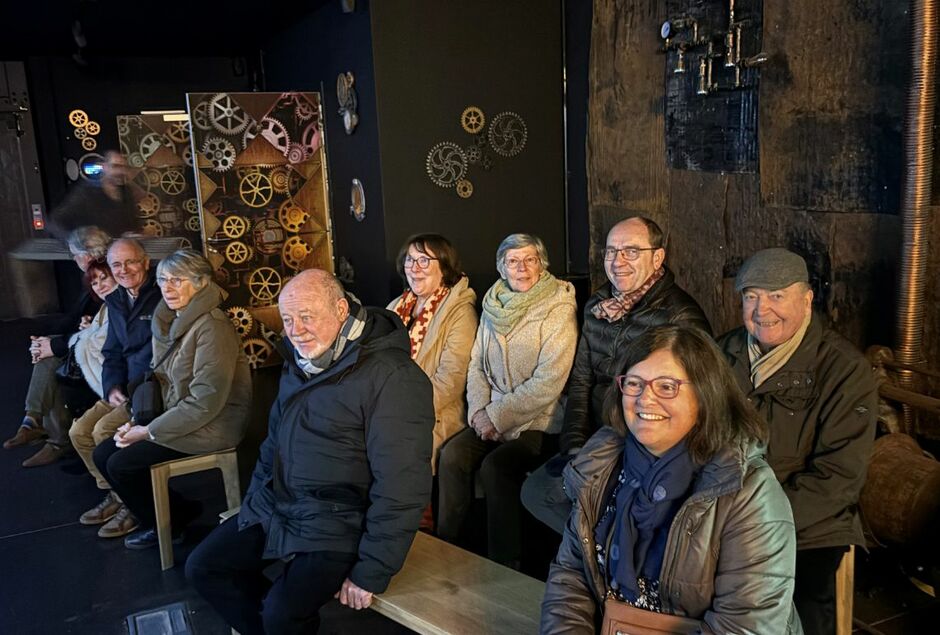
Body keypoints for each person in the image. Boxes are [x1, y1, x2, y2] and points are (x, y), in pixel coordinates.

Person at [186, 269, 434, 635]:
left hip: (342, 520)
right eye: (287, 320)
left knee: (280, 614)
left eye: (306, 317)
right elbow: (273, 445)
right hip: (282, 504)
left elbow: (403, 484)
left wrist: (372, 570)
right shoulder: (299, 363)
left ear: (341, 309)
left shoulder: (393, 377)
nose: (296, 330)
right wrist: (255, 500)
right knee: (204, 567)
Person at [541, 326, 802, 634]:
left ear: (706, 395)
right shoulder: (602, 465)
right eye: (634, 384)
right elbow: (571, 578)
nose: (644, 400)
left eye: (666, 387)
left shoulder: (749, 492)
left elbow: (744, 626)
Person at [718, 248, 878, 635]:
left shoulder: (845, 369)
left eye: (777, 295)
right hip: (724, 510)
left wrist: (761, 522)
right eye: (752, 296)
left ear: (806, 300)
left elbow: (838, 478)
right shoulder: (721, 352)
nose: (762, 309)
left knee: (801, 608)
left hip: (808, 524)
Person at [523, 216, 711, 533]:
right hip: (596, 441)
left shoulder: (680, 316)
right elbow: (582, 383)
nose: (617, 261)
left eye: (631, 251)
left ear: (658, 257)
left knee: (570, 499)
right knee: (537, 492)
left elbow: (693, 404)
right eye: (611, 251)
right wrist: (574, 449)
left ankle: (609, 557)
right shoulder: (599, 303)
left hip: (640, 447)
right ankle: (601, 555)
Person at [91, 250, 251, 549]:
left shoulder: (212, 327)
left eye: (178, 280)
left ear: (201, 283)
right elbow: (163, 384)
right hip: (180, 414)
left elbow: (205, 402)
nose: (167, 287)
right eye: (163, 279)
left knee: (121, 464)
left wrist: (148, 431)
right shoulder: (167, 321)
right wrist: (137, 421)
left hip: (212, 423)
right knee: (103, 454)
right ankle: (176, 512)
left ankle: (169, 525)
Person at [436, 233, 577, 569]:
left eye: (530, 259)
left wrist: (497, 416)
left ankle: (504, 565)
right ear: (502, 267)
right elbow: (476, 365)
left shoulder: (558, 305)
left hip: (538, 420)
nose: (522, 268)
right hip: (491, 414)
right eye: (513, 261)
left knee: (496, 468)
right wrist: (480, 413)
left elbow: (549, 381)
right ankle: (448, 549)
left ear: (542, 264)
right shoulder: (493, 304)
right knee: (452, 456)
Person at [70, 238, 162, 538]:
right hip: (124, 388)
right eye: (116, 265)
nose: (124, 270)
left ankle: (132, 506)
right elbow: (112, 353)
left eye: (131, 262)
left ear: (146, 262)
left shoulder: (163, 295)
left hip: (151, 390)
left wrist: (131, 392)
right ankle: (118, 495)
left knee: (102, 433)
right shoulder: (116, 301)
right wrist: (111, 387)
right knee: (78, 433)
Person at [387, 234, 478, 528]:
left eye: (424, 260)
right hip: (393, 406)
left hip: (437, 412)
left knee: (402, 443)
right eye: (410, 260)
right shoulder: (396, 307)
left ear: (445, 267)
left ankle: (418, 529)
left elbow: (451, 381)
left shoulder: (460, 312)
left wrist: (407, 413)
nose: (415, 267)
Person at [3, 226, 111, 466]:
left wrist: (53, 345)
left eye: (75, 254)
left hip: (105, 353)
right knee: (47, 353)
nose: (73, 259)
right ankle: (37, 425)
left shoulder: (105, 276)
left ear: (89, 253)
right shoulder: (94, 276)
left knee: (50, 359)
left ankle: (44, 430)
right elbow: (75, 319)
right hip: (91, 341)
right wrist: (45, 341)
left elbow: (103, 328)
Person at [47, 151, 142, 239]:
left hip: (120, 253)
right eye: (115, 166)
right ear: (104, 167)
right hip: (96, 254)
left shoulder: (126, 192)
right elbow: (55, 223)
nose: (121, 172)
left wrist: (134, 235)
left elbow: (133, 225)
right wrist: (77, 242)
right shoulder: (86, 193)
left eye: (124, 167)